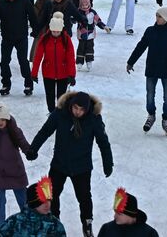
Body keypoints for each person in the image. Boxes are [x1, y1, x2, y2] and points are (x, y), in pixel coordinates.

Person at [26, 89, 113, 235]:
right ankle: (54, 221)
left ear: (87, 109)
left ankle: (87, 223)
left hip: (82, 166)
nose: (77, 112)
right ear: (71, 105)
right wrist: (33, 149)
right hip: (59, 163)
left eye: (81, 110)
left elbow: (103, 141)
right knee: (52, 195)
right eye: (75, 108)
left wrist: (108, 162)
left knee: (84, 197)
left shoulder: (93, 118)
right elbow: (45, 130)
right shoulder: (61, 113)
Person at [126, 7, 167, 136]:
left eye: (159, 16)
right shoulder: (150, 31)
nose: (157, 19)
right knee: (149, 96)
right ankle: (151, 115)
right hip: (152, 69)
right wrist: (131, 62)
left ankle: (166, 119)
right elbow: (141, 46)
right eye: (156, 16)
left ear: (165, 18)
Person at [0, 103, 33, 228]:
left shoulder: (14, 130)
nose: (0, 122)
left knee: (23, 199)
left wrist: (29, 152)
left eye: (2, 119)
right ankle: (0, 227)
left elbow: (23, 143)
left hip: (15, 169)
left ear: (7, 119)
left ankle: (29, 223)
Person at [0, 0, 38, 97]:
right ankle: (6, 84)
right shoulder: (0, 3)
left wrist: (35, 29)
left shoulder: (24, 2)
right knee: (4, 61)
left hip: (21, 37)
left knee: (23, 61)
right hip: (7, 38)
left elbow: (32, 16)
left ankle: (28, 84)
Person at [0, 176, 68, 237]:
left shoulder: (55, 225)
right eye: (42, 201)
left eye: (49, 200)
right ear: (33, 203)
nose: (47, 204)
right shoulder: (15, 221)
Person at [31, 12, 77, 109]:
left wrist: (72, 75)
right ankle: (51, 113)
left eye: (58, 31)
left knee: (61, 97)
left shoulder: (66, 39)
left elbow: (71, 58)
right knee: (50, 95)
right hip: (48, 73)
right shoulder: (45, 39)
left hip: (63, 73)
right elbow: (38, 57)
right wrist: (34, 73)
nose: (55, 33)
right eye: (53, 31)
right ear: (50, 29)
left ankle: (60, 114)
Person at [75, 0, 105, 72]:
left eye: (86, 4)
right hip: (81, 34)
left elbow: (97, 20)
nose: (85, 6)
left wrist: (103, 26)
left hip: (91, 34)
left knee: (89, 48)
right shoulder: (78, 12)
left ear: (89, 4)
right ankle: (79, 62)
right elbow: (74, 19)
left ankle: (89, 61)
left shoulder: (92, 12)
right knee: (81, 48)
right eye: (83, 5)